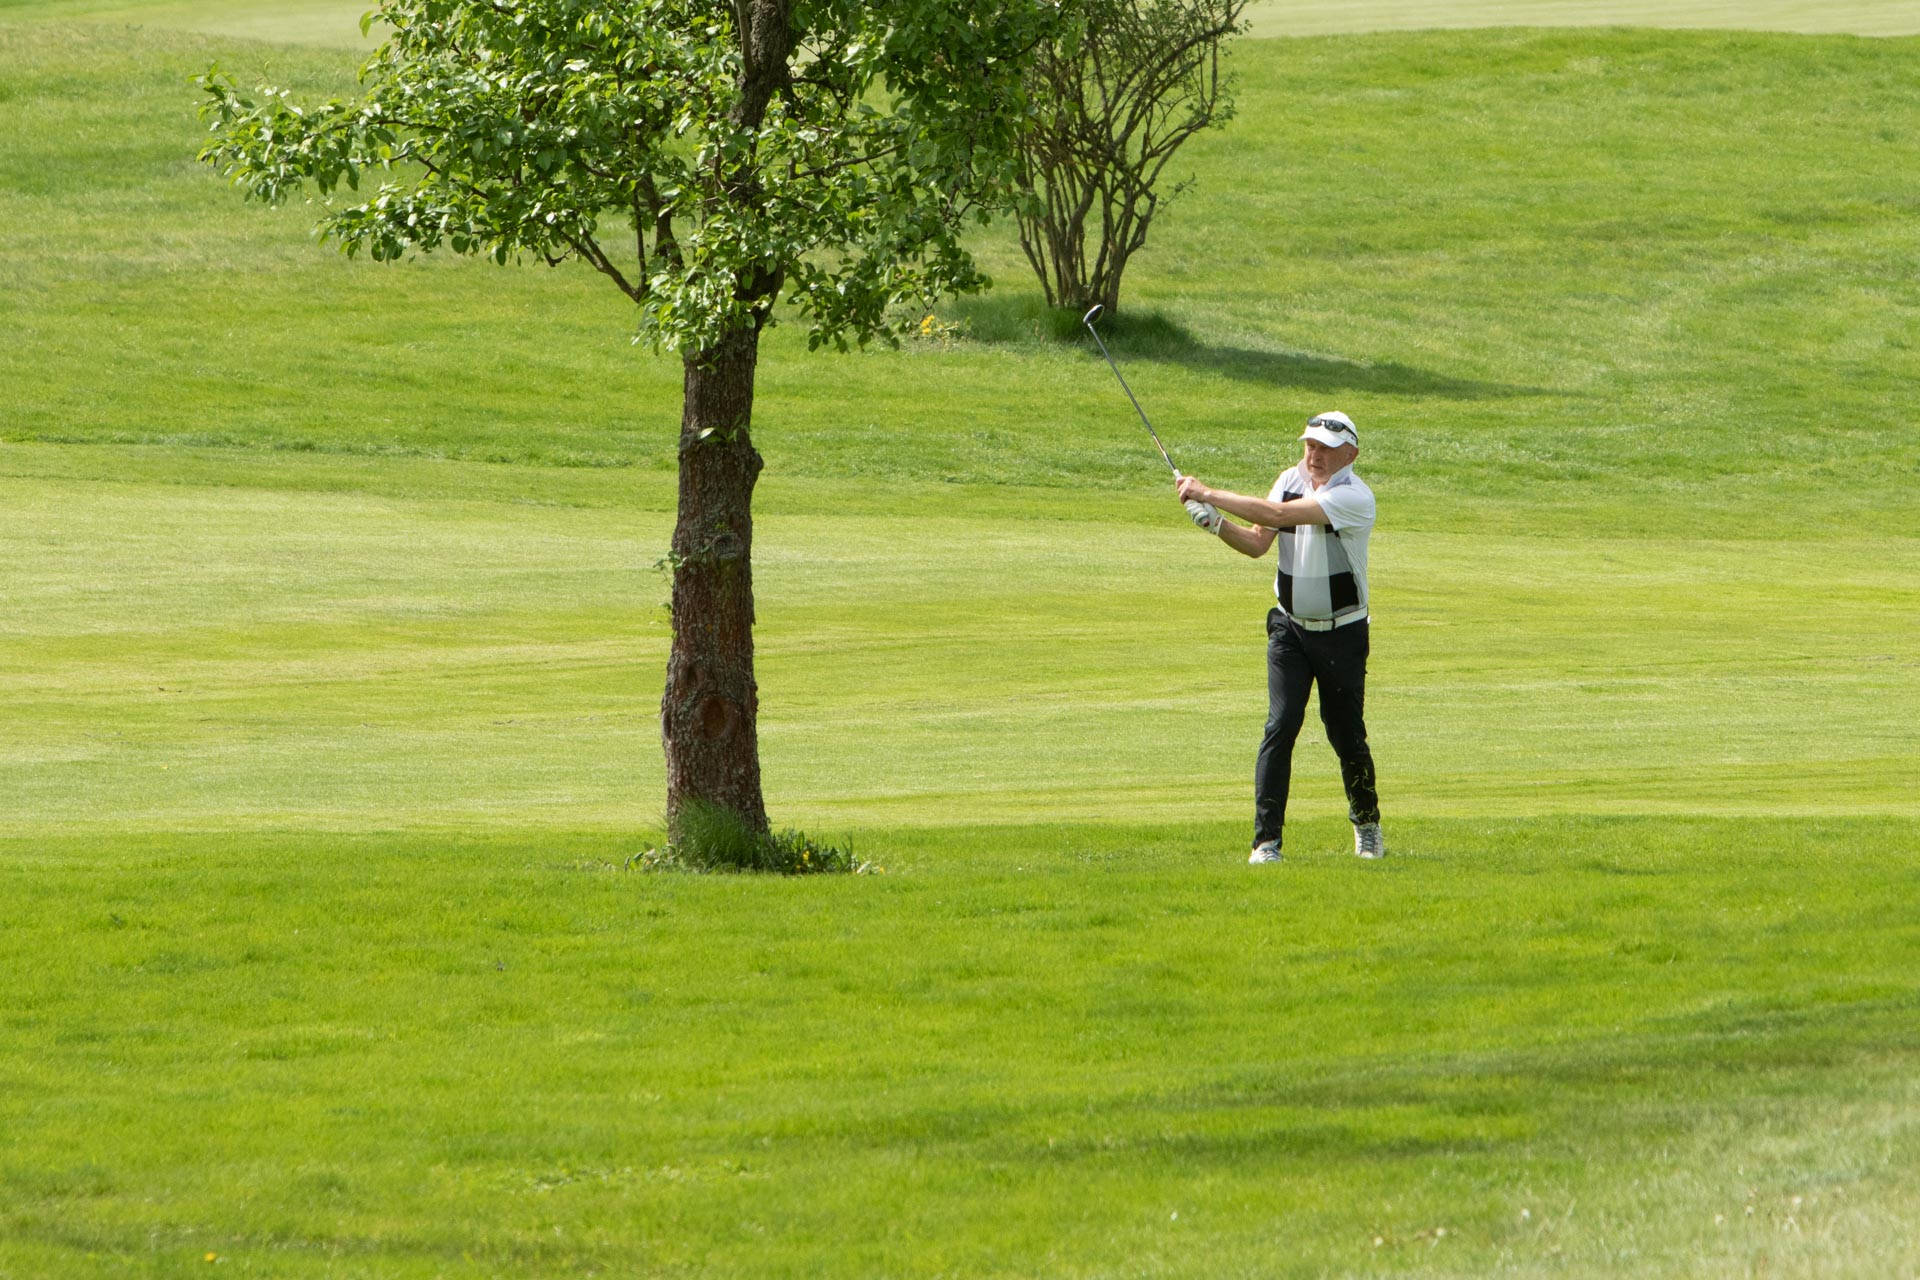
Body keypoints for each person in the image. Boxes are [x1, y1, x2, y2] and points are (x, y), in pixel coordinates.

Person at [1174, 411, 1384, 864]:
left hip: (1342, 632)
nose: (1315, 454)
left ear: (1350, 454)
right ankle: (1266, 842)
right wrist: (1216, 525)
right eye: (1310, 445)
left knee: (1345, 734)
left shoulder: (1355, 497)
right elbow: (1257, 541)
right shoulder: (1290, 479)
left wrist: (1207, 493)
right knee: (1281, 724)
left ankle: (1367, 824)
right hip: (1289, 628)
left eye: (1326, 448)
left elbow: (1277, 515)